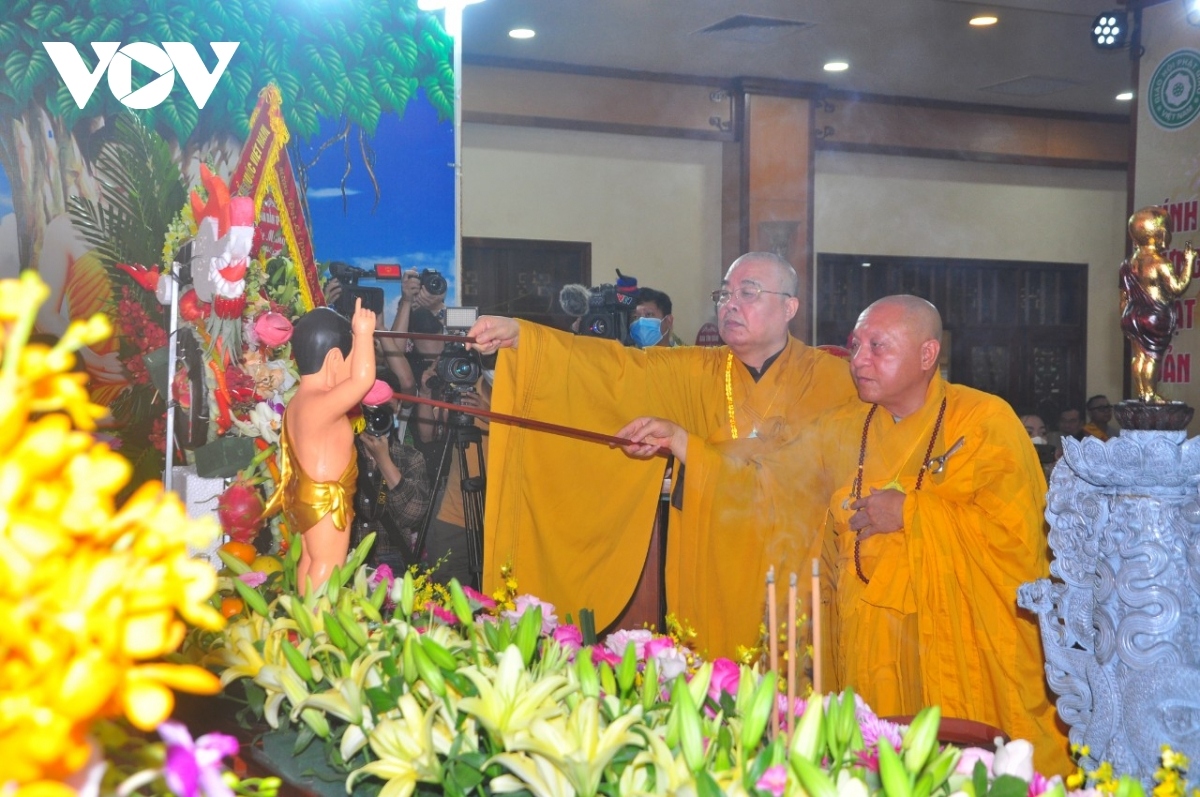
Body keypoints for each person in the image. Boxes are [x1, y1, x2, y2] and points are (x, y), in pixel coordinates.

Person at [468, 252, 857, 657]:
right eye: (723, 294)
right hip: (710, 560)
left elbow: (817, 471)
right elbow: (617, 371)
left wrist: (688, 445)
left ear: (789, 306)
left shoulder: (834, 379)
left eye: (748, 292)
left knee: (795, 693)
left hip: (793, 566)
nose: (730, 304)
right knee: (713, 683)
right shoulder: (696, 369)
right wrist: (526, 339)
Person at [826, 295, 1067, 774]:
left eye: (878, 346)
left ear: (927, 355)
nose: (858, 361)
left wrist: (912, 513)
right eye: (856, 346)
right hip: (873, 643)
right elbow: (778, 477)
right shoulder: (846, 428)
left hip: (963, 648)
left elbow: (1018, 542)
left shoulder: (984, 421)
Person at [263, 301, 376, 593]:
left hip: (308, 496)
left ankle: (306, 624)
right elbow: (362, 380)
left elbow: (354, 377)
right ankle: (320, 627)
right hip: (326, 501)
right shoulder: (320, 405)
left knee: (311, 559)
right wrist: (363, 334)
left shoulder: (299, 402)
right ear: (334, 360)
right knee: (329, 563)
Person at [351, 369, 432, 572]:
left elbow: (413, 515)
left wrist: (383, 460)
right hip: (350, 553)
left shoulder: (410, 458)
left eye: (384, 409)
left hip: (392, 555)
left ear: (397, 409)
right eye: (370, 410)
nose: (376, 417)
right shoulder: (345, 452)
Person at [1119, 206, 1197, 402]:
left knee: (1138, 357)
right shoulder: (1160, 262)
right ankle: (1150, 394)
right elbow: (1177, 287)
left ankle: (1143, 393)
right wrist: (1188, 262)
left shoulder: (1127, 264)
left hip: (1131, 315)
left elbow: (1124, 296)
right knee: (1152, 356)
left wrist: (1125, 318)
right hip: (1154, 315)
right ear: (1162, 234)